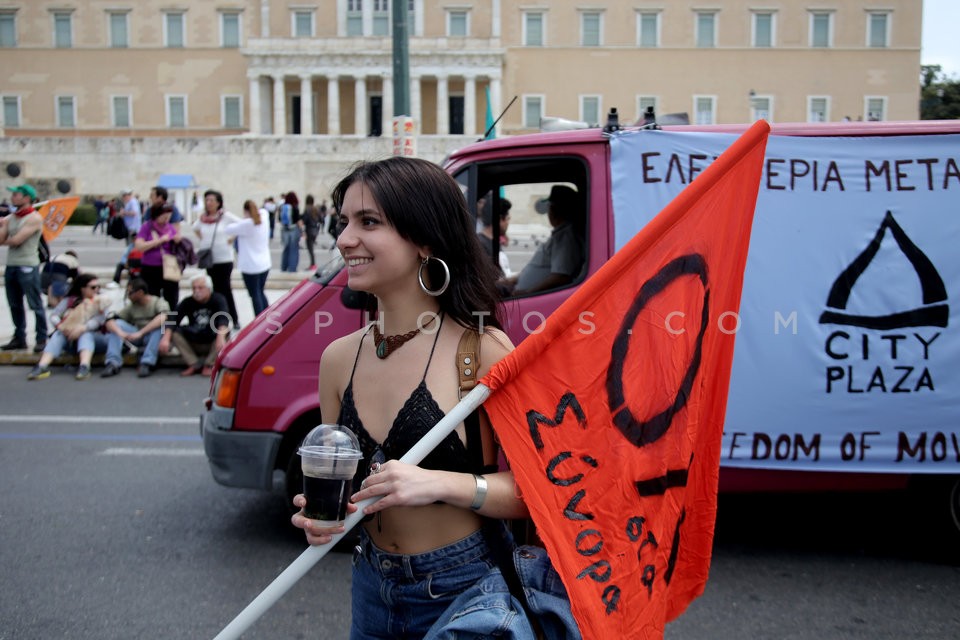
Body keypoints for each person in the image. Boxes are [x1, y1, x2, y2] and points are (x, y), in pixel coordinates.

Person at [290, 156, 527, 638]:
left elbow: (540, 492)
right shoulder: (338, 359)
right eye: (344, 222)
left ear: (424, 239)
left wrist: (440, 483)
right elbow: (346, 491)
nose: (344, 239)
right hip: (371, 588)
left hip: (467, 590)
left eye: (368, 222)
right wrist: (324, 519)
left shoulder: (482, 349)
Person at [499, 185, 585, 296]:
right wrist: (512, 280)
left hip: (530, 300)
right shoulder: (561, 234)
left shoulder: (566, 237)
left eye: (548, 208)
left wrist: (528, 293)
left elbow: (561, 276)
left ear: (554, 210)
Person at [28, 273, 111, 381]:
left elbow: (100, 320)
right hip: (71, 338)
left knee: (86, 334)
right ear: (83, 288)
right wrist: (61, 327)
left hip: (97, 338)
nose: (96, 289)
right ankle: (42, 366)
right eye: (93, 287)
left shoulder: (101, 300)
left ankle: (84, 366)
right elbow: (54, 315)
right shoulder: (71, 300)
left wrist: (82, 328)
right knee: (58, 334)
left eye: (98, 287)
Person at [0, 183, 48, 352]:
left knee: (35, 303)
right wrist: (4, 224)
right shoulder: (12, 217)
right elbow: (2, 239)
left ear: (27, 198)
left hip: (27, 264)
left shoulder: (34, 218)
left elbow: (16, 241)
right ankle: (19, 337)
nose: (13, 197)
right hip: (12, 264)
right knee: (14, 304)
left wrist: (6, 230)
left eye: (16, 195)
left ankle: (41, 337)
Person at [158, 274, 229, 377]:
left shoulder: (218, 299)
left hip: (212, 340)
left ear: (208, 289)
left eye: (200, 288)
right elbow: (173, 318)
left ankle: (209, 365)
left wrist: (221, 337)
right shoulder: (188, 301)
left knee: (224, 331)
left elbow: (224, 319)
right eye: (194, 288)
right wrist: (165, 338)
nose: (196, 291)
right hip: (194, 339)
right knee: (174, 333)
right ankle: (193, 363)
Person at [101, 277, 169, 378]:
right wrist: (120, 333)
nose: (128, 296)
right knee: (117, 324)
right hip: (137, 336)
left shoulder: (157, 302)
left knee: (159, 327)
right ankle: (113, 362)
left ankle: (147, 362)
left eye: (130, 293)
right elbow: (110, 320)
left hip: (151, 336)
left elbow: (163, 317)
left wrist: (141, 332)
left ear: (140, 292)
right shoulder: (131, 306)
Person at [193, 189, 240, 328]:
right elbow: (195, 228)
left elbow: (241, 225)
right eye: (207, 200)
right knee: (213, 289)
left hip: (224, 259)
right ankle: (219, 318)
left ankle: (233, 318)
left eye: (212, 200)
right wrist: (203, 240)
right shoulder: (202, 218)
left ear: (218, 202)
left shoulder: (225, 216)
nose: (209, 203)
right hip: (209, 260)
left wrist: (232, 238)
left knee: (225, 288)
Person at [224, 199, 271, 318]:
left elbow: (228, 229)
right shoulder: (264, 218)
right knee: (260, 291)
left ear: (245, 211)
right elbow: (263, 211)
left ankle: (260, 320)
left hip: (250, 266)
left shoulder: (246, 224)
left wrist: (228, 214)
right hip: (264, 264)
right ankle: (268, 316)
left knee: (255, 294)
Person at [135, 203, 182, 311]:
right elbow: (139, 246)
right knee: (152, 296)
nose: (166, 220)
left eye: (169, 217)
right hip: (150, 267)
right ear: (156, 215)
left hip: (169, 267)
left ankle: (170, 323)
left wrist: (177, 240)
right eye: (164, 217)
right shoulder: (147, 227)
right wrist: (159, 241)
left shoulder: (170, 227)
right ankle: (154, 321)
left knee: (172, 297)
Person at [476, 195, 513, 277]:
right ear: (499, 219)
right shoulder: (482, 245)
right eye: (507, 218)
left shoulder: (491, 241)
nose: (508, 223)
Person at [279, 191, 301, 272]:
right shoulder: (295, 207)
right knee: (294, 249)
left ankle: (283, 267)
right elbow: (298, 220)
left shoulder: (282, 207)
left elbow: (279, 219)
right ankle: (292, 268)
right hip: (294, 229)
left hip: (285, 230)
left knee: (286, 249)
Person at [302, 194, 322, 269]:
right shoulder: (316, 209)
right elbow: (321, 219)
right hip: (315, 230)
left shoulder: (307, 209)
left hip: (309, 230)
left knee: (310, 249)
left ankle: (313, 264)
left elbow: (304, 220)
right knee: (311, 248)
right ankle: (312, 264)